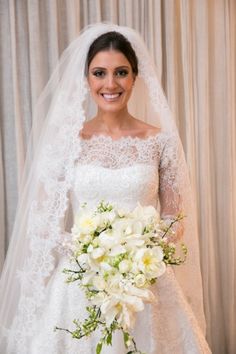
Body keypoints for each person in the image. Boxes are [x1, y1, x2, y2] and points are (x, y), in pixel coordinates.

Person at [0, 23, 212, 353]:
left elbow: (175, 216)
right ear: (86, 80)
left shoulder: (160, 141)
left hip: (146, 280)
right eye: (99, 73)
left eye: (121, 72)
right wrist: (89, 252)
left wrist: (140, 249)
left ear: (135, 78)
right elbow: (45, 221)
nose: (110, 84)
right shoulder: (67, 142)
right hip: (81, 281)